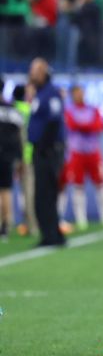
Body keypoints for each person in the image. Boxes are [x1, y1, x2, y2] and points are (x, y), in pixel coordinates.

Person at [28, 58, 66, 247]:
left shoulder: (51, 93)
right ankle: (52, 233)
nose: (31, 74)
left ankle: (51, 234)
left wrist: (43, 146)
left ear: (44, 73)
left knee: (46, 193)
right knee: (44, 194)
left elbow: (53, 120)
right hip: (42, 149)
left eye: (35, 71)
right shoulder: (40, 93)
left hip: (48, 150)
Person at [63, 84, 103, 231]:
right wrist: (87, 126)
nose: (79, 95)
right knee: (78, 186)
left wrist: (83, 126)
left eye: (81, 92)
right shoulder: (68, 110)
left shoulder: (93, 109)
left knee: (101, 184)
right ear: (72, 95)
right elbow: (71, 124)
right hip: (77, 152)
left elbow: (99, 126)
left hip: (93, 152)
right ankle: (81, 220)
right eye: (76, 93)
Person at [12, 83, 38, 237]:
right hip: (27, 155)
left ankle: (5, 224)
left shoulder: (12, 109)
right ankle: (32, 225)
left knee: (5, 191)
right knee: (28, 193)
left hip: (9, 155)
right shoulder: (29, 110)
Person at [0, 77, 23, 242]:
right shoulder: (13, 109)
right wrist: (19, 157)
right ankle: (6, 227)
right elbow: (18, 136)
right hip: (8, 156)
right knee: (6, 191)